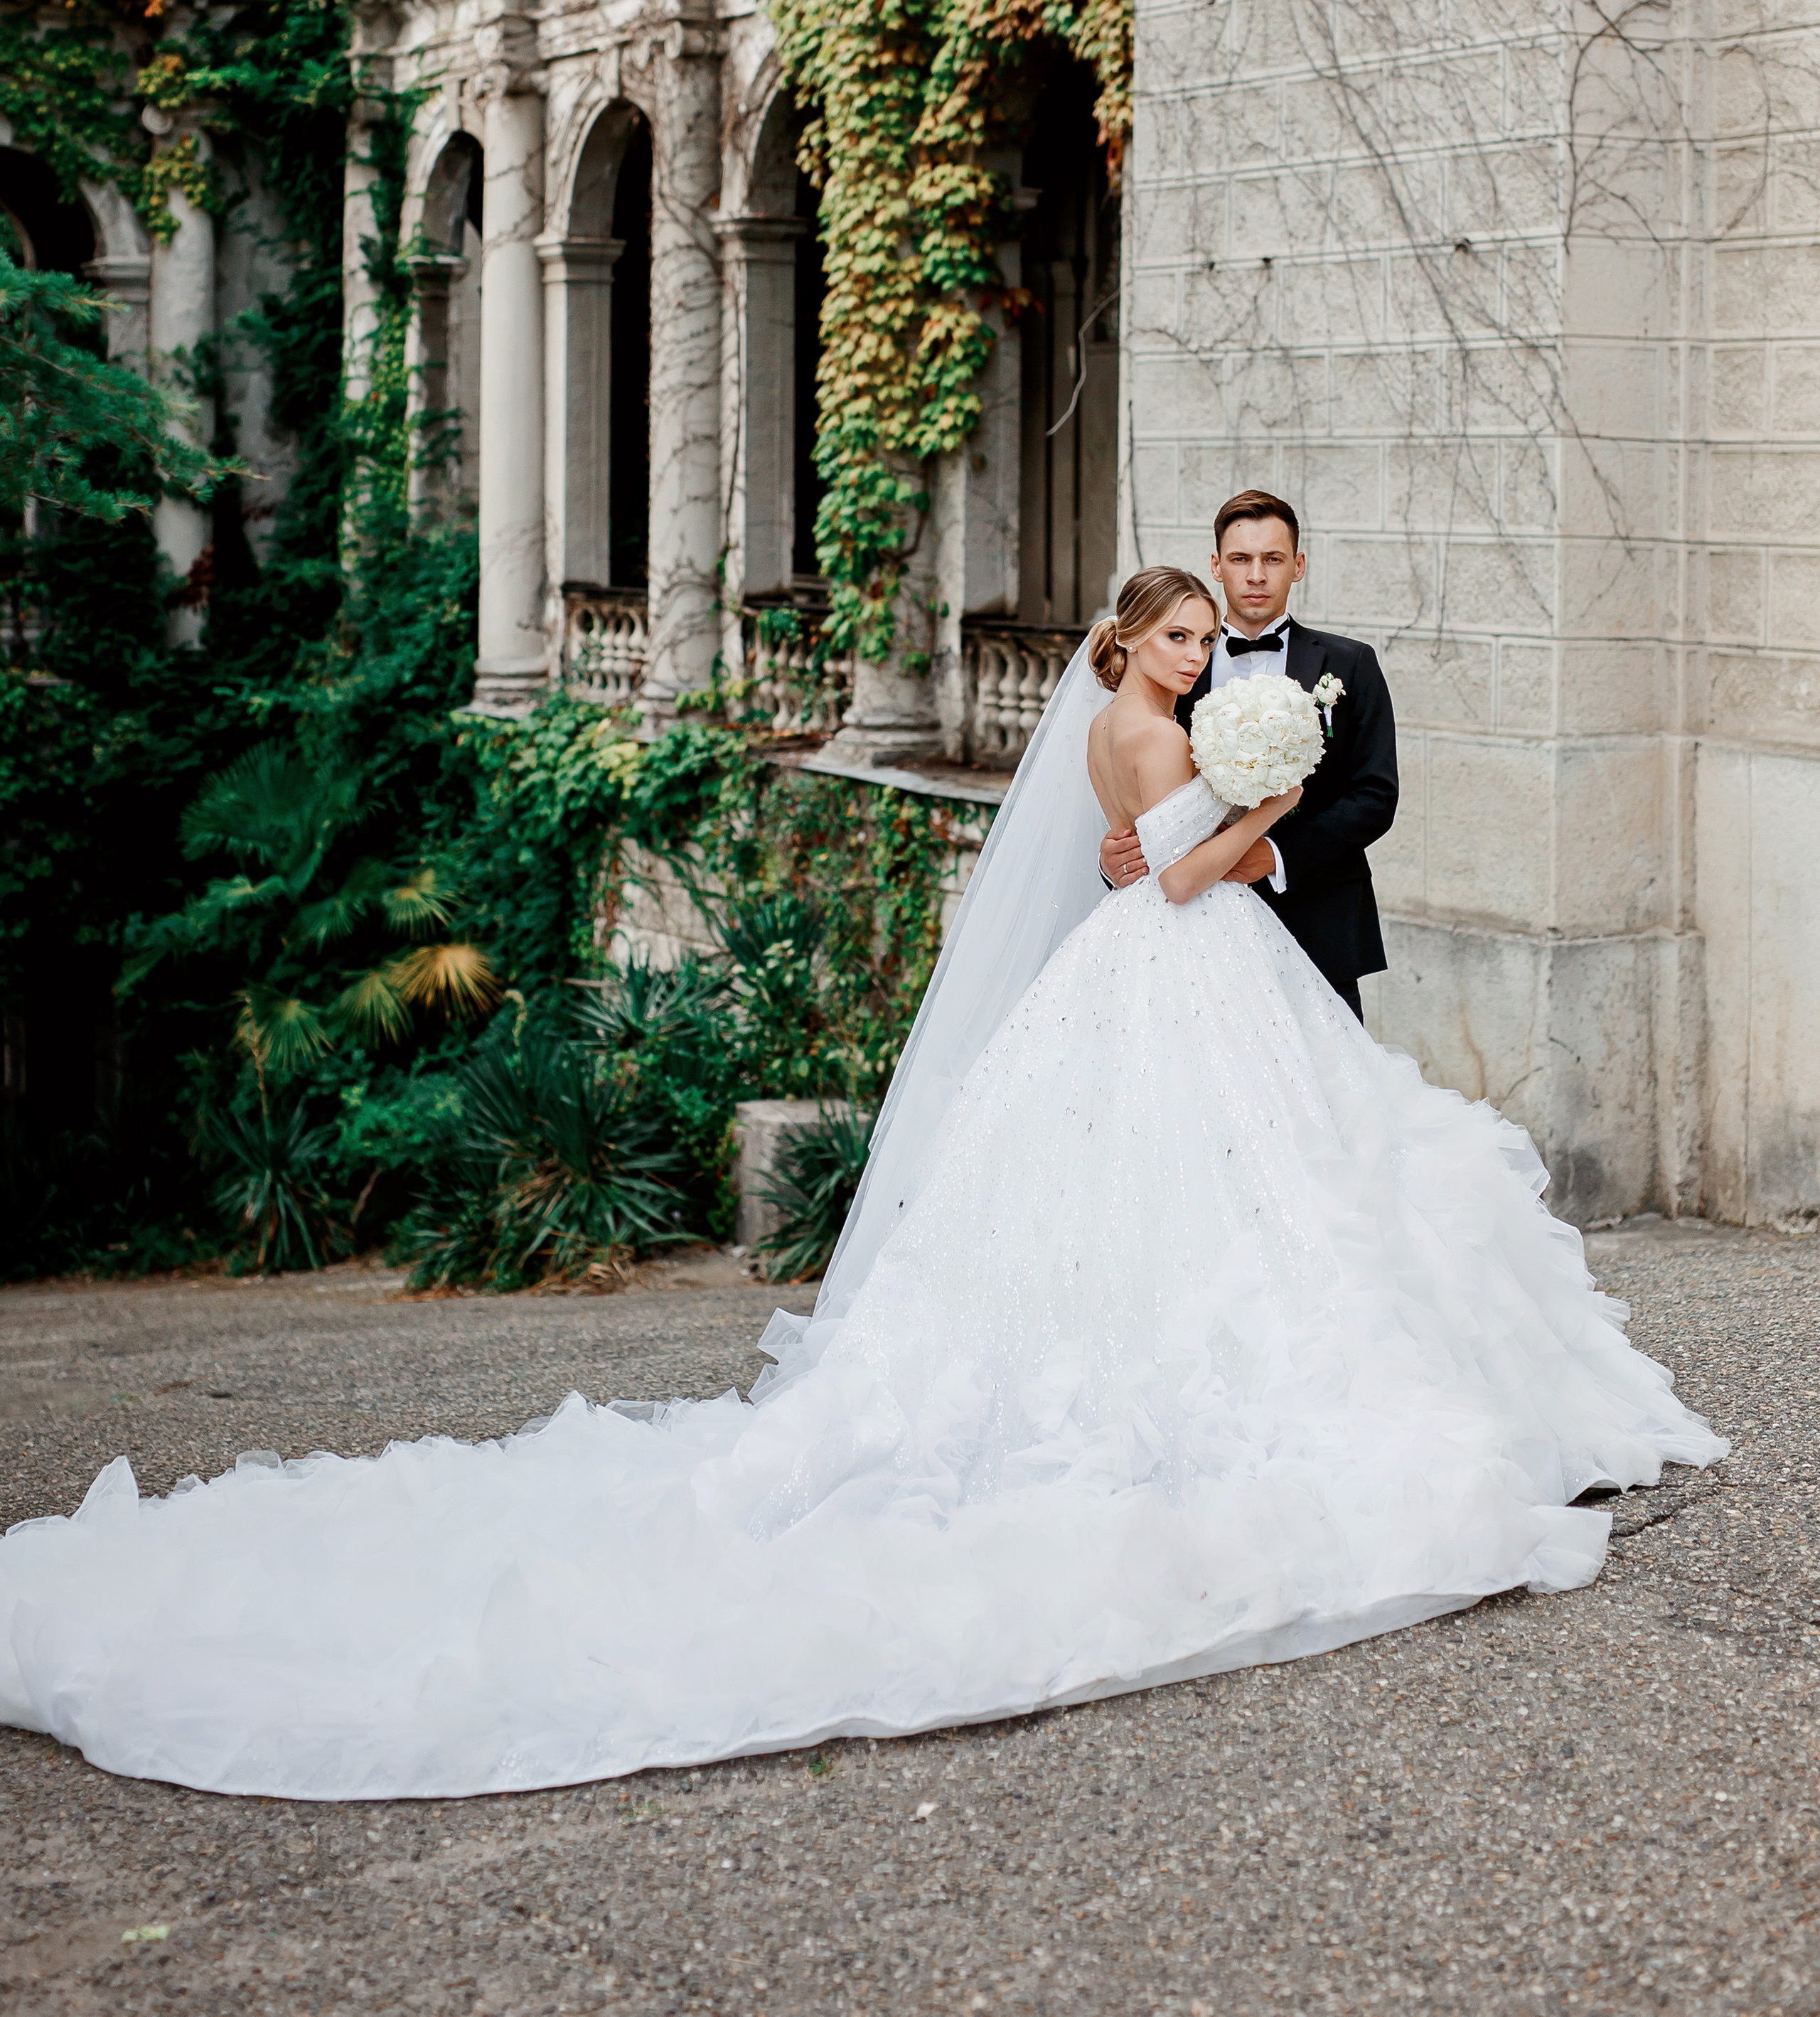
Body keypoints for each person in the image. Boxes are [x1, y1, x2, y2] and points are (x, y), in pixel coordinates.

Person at [0, 570, 1723, 1802]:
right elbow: (1177, 876)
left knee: (1252, 1184)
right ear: (1127, 645)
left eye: (1215, 634)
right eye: (1182, 633)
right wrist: (1255, 816)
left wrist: (1232, 804)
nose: (1203, 651)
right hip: (1176, 961)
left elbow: (1144, 859)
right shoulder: (1138, 730)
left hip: (1179, 972)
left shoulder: (1145, 721)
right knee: (1203, 1194)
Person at [1101, 489, 1395, 1017]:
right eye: (1240, 559)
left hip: (1318, 923)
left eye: (1273, 559)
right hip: (1195, 941)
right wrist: (1113, 858)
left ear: (1298, 565)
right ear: (1216, 565)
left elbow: (1375, 796)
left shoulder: (1351, 665)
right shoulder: (1170, 671)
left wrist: (1279, 855)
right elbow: (1140, 792)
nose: (1256, 575)